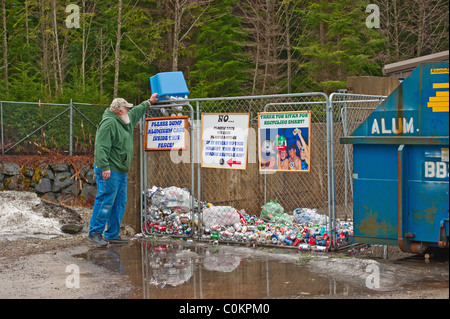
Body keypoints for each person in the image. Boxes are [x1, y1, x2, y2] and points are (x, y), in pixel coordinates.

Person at [88, 93, 159, 247]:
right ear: (119, 111)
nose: (129, 111)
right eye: (127, 108)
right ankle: (95, 233)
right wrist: (104, 167)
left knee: (119, 202)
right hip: (110, 170)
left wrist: (149, 102)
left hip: (120, 170)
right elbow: (101, 146)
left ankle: (112, 234)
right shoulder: (109, 123)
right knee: (106, 201)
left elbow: (136, 111)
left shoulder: (125, 120)